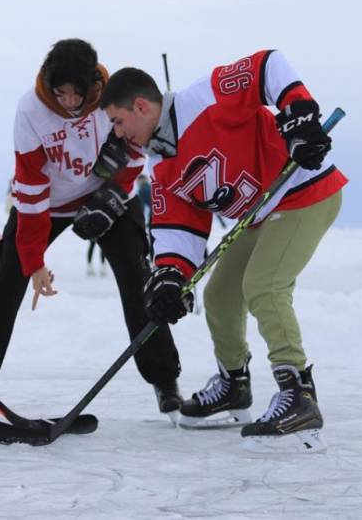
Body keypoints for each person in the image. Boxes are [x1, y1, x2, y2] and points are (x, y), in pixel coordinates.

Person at [99, 49, 347, 453]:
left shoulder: (206, 97)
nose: (118, 133)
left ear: (140, 106)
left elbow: (268, 65)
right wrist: (170, 277)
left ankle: (299, 394)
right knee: (219, 295)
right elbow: (177, 229)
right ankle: (234, 383)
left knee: (263, 286)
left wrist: (298, 110)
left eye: (118, 121)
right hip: (263, 212)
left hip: (303, 191)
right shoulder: (161, 163)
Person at [0, 39, 183, 422]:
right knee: (9, 275)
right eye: (62, 93)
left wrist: (113, 195)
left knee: (136, 273)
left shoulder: (112, 95)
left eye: (79, 93)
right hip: (48, 203)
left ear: (93, 84)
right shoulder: (30, 111)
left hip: (106, 195)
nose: (71, 102)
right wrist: (34, 261)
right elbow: (30, 187)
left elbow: (138, 143)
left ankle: (163, 379)